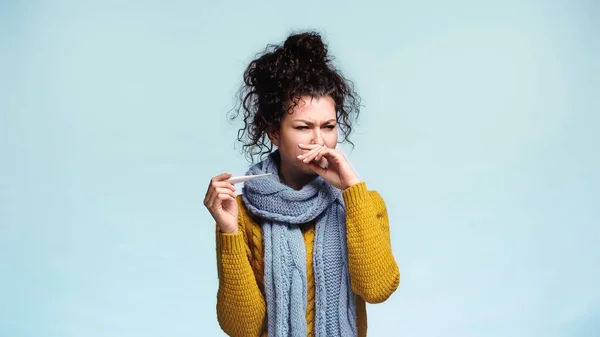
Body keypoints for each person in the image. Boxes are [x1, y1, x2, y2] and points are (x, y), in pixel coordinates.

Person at [204, 31, 399, 337]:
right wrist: (228, 231)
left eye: (329, 126)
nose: (319, 141)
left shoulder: (363, 204)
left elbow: (377, 289)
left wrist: (352, 190)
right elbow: (242, 327)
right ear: (274, 132)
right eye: (303, 127)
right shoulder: (240, 213)